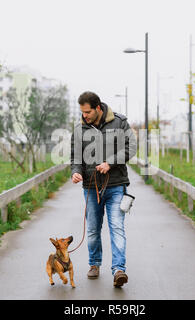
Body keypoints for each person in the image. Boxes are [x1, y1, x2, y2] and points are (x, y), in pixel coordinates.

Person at [70, 91, 136, 288]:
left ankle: (119, 270)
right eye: (82, 112)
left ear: (98, 108)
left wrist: (111, 163)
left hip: (116, 185)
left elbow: (131, 148)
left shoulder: (120, 122)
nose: (85, 116)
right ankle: (94, 264)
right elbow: (75, 157)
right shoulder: (80, 128)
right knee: (92, 230)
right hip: (90, 187)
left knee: (116, 227)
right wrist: (75, 172)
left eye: (88, 112)